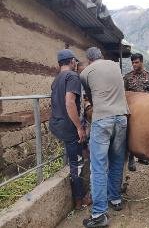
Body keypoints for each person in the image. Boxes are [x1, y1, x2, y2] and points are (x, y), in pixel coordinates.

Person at [81, 47, 129, 228]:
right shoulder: (116, 67)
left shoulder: (85, 73)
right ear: (102, 56)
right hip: (122, 118)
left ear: (89, 59)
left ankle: (99, 214)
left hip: (102, 120)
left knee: (99, 167)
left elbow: (91, 98)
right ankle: (115, 199)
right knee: (117, 161)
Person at [49, 49, 87, 210]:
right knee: (76, 163)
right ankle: (80, 201)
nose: (76, 63)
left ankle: (83, 194)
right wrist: (79, 127)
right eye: (75, 61)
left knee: (80, 155)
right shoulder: (72, 77)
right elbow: (70, 102)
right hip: (69, 127)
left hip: (57, 124)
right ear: (72, 61)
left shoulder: (56, 79)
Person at [123, 53, 149, 171]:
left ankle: (143, 156)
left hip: (146, 111)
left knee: (145, 133)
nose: (134, 65)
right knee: (132, 134)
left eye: (136, 62)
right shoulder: (127, 77)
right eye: (132, 63)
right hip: (132, 112)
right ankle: (131, 158)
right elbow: (124, 95)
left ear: (142, 62)